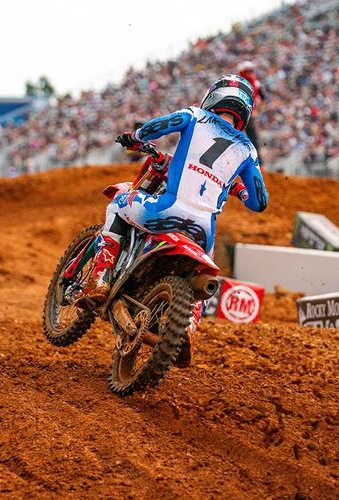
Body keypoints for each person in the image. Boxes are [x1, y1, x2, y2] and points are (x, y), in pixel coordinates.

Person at [76, 74, 269, 363]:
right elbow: (259, 202)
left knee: (117, 205)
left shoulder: (195, 116)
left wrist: (135, 138)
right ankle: (187, 329)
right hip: (203, 233)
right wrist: (239, 190)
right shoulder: (248, 150)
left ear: (213, 97)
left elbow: (158, 126)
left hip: (165, 210)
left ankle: (100, 279)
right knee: (201, 277)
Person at [237, 61, 266, 165]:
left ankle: (258, 164)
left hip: (248, 114)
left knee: (253, 139)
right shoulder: (238, 82)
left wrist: (257, 110)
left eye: (251, 71)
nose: (250, 74)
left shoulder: (256, 84)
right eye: (247, 71)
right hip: (237, 113)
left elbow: (263, 99)